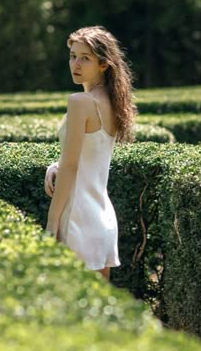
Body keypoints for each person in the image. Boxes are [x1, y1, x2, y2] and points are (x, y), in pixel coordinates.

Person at [44, 26, 136, 282]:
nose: (76, 63)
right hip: (100, 217)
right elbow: (86, 156)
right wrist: (56, 165)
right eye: (73, 55)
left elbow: (73, 166)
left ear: (104, 64)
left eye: (85, 57)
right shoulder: (112, 101)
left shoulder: (80, 102)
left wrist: (52, 223)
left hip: (76, 218)